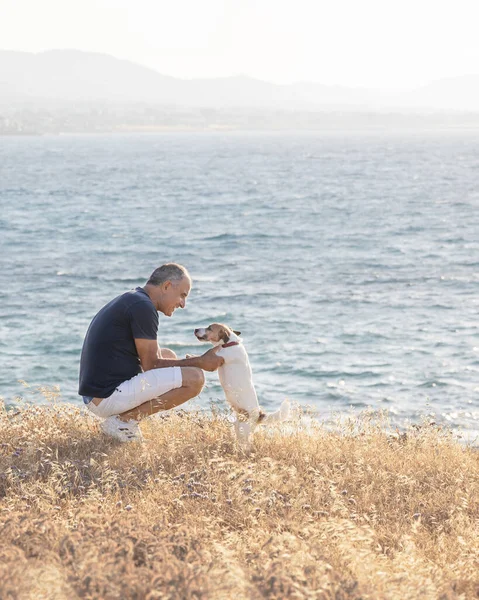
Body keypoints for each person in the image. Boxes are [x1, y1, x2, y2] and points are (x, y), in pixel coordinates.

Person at [79, 263, 224, 442]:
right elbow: (151, 365)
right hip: (105, 397)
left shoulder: (135, 299)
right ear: (166, 286)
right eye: (182, 295)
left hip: (98, 393)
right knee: (195, 378)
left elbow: (151, 360)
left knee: (168, 355)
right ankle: (124, 422)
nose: (183, 304)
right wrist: (199, 362)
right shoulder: (143, 307)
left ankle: (123, 420)